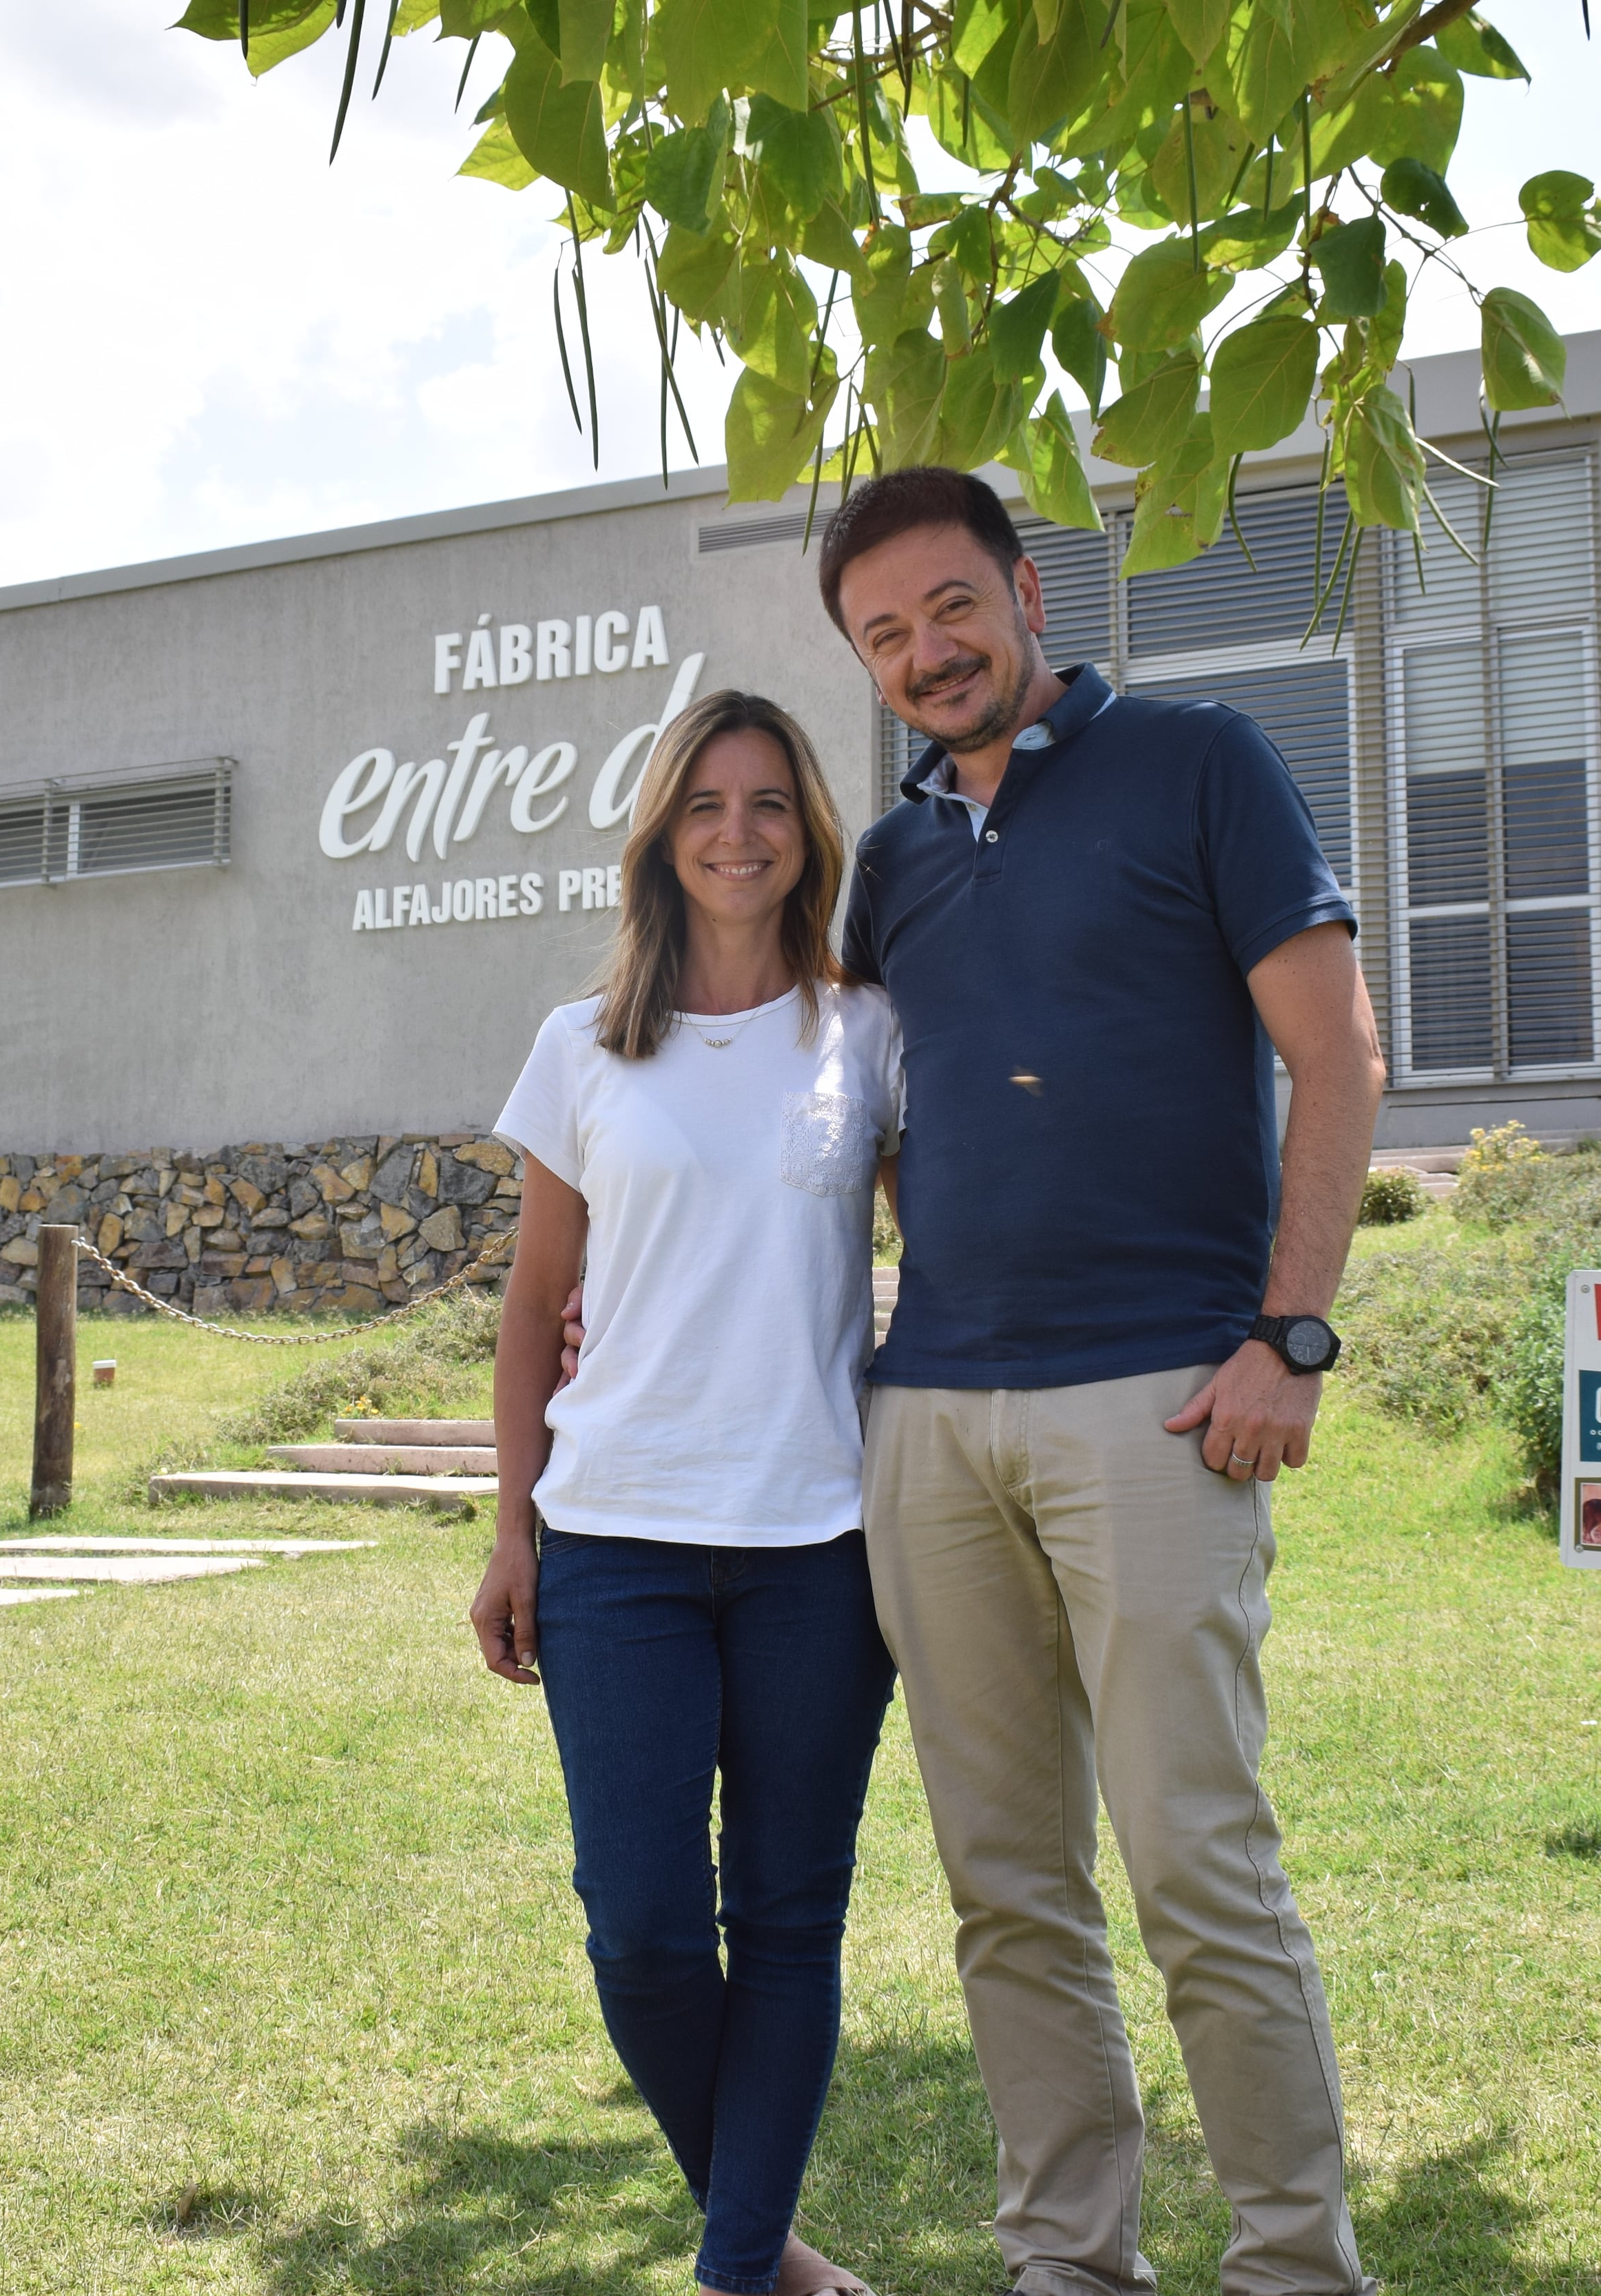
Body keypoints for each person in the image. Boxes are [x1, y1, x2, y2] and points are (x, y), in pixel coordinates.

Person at [827, 465, 1391, 2296]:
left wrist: (1289, 1332)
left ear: (1027, 590)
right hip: (932, 1417)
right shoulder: (894, 859)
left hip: (1161, 1393)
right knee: (1007, 1885)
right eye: (886, 633)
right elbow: (873, 1126)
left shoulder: (1203, 759)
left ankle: (1295, 2263)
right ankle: (1070, 2257)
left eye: (950, 607)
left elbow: (1342, 1055)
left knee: (1196, 1866)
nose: (928, 652)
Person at [471, 688, 905, 2296]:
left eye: (771, 802)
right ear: (663, 828)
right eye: (708, 802)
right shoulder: (581, 1043)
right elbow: (531, 1306)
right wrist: (511, 1525)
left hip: (817, 1547)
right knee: (645, 1931)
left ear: (810, 832)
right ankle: (767, 2248)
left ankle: (736, 2272)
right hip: (614, 1546)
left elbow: (948, 1245)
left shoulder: (865, 1031)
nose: (739, 830)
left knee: (787, 1921)